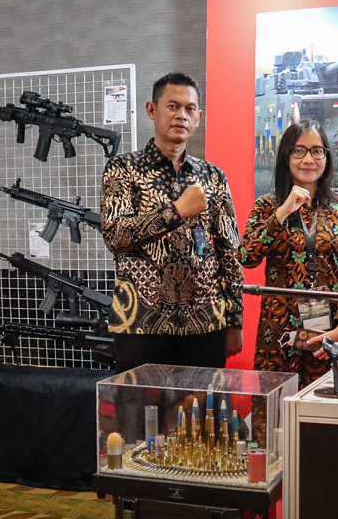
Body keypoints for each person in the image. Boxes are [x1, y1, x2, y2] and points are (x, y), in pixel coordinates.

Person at [100, 72, 243, 371]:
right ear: (152, 109)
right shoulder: (123, 169)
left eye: (190, 109)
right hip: (140, 322)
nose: (182, 115)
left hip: (205, 322)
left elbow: (230, 252)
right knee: (140, 402)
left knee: (200, 401)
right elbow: (115, 236)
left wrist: (234, 320)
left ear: (199, 117)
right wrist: (176, 211)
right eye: (173, 106)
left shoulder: (213, 176)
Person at [239, 119, 338, 387]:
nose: (308, 159)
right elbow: (247, 257)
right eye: (299, 151)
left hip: (330, 332)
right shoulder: (267, 206)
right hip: (279, 331)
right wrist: (282, 211)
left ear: (326, 158)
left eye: (317, 151)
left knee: (329, 405)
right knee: (278, 407)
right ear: (286, 157)